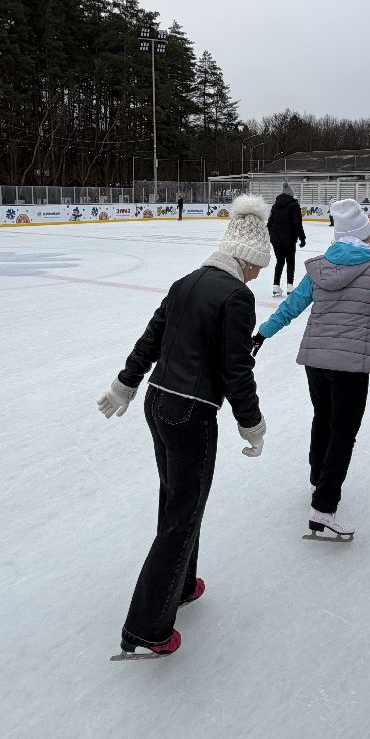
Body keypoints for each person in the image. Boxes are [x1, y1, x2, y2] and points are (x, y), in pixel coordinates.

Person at [96, 194, 270, 660]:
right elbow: (236, 369)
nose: (258, 274)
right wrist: (251, 422)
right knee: (183, 513)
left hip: (158, 402)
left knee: (176, 501)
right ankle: (148, 627)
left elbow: (150, 339)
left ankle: (182, 584)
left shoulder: (184, 283)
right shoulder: (237, 296)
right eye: (257, 265)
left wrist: (124, 384)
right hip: (192, 413)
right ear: (245, 257)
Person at [254, 198, 370, 541]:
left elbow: (292, 306)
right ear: (365, 235)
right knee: (343, 431)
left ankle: (317, 478)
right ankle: (323, 508)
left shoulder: (319, 267)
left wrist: (264, 332)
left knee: (323, 418)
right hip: (351, 365)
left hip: (316, 362)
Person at [267, 182, 307, 298]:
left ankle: (276, 285)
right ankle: (290, 286)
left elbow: (269, 223)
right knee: (290, 261)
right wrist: (302, 238)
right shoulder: (294, 205)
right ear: (291, 195)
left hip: (275, 239)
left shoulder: (275, 206)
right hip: (289, 239)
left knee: (279, 261)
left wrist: (269, 236)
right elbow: (297, 223)